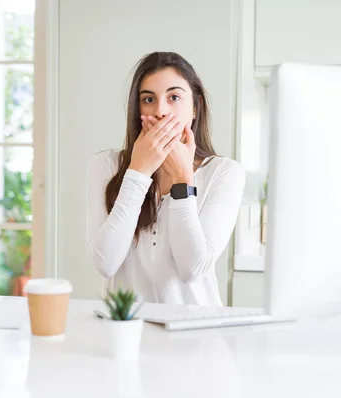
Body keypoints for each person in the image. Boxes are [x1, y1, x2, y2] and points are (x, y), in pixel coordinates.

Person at [85, 52, 245, 306]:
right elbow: (105, 263)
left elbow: (193, 268)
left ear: (195, 108)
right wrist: (138, 172)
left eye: (174, 97)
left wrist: (182, 179)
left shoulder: (225, 172)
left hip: (195, 333)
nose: (160, 111)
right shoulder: (105, 165)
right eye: (148, 99)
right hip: (126, 329)